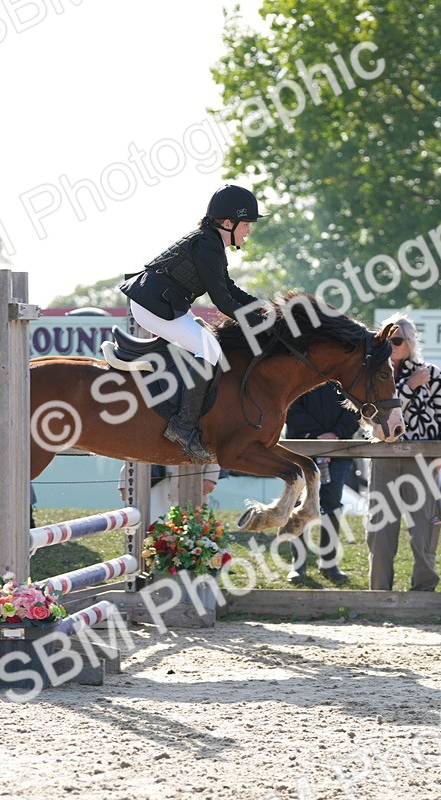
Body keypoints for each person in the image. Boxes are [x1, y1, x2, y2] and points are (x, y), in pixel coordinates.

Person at [118, 184, 267, 463]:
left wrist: (263, 308)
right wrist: (258, 324)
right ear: (228, 223)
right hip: (153, 306)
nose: (249, 230)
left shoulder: (211, 242)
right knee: (209, 349)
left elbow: (229, 288)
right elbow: (222, 301)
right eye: (246, 224)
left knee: (208, 345)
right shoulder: (207, 245)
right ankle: (182, 426)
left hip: (163, 304)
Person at [366, 313, 441, 591]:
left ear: (410, 342)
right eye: (386, 340)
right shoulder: (370, 373)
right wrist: (408, 388)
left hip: (422, 459)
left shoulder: (430, 373)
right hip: (384, 456)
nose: (392, 345)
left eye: (397, 340)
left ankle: (424, 591)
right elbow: (374, 416)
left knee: (424, 528)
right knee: (380, 528)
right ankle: (378, 593)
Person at [283, 382, 361, 584]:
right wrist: (318, 436)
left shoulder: (346, 374)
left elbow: (355, 409)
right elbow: (290, 407)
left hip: (339, 449)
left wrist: (334, 435)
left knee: (332, 504)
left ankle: (329, 564)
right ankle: (298, 565)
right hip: (301, 449)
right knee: (298, 505)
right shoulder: (299, 372)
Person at [118, 462, 221, 521]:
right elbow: (138, 445)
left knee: (190, 526)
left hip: (192, 478)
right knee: (152, 524)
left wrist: (210, 477)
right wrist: (125, 481)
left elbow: (212, 442)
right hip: (155, 481)